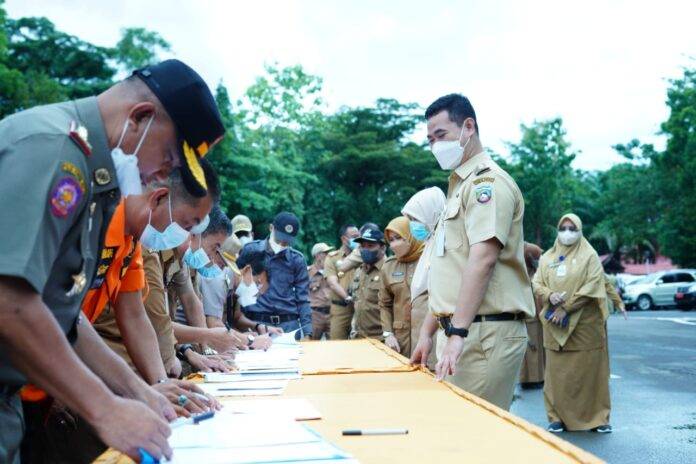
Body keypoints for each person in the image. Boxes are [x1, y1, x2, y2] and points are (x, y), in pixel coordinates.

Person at [0, 58, 224, 462]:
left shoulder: (96, 184)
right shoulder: (53, 152)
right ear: (139, 117)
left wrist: (140, 393)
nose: (160, 175)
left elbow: (64, 316)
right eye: (168, 160)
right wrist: (104, 409)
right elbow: (8, 300)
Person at [410, 94, 535, 411]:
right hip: (461, 331)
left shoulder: (487, 185)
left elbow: (483, 259)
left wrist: (458, 333)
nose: (435, 145)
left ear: (468, 127)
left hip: (482, 333)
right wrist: (428, 332)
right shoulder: (458, 189)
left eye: (441, 135)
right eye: (430, 139)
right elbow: (448, 271)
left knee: (478, 440)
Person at [533, 213, 612, 433]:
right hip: (555, 326)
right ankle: (556, 417)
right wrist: (549, 295)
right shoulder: (548, 257)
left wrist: (566, 306)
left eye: (572, 228)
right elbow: (536, 282)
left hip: (585, 326)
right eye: (563, 228)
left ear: (579, 231)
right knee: (557, 375)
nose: (567, 232)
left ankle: (599, 418)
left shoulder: (590, 256)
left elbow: (593, 286)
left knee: (591, 374)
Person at [239, 212, 312, 337]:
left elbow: (303, 300)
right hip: (257, 324)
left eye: (287, 241)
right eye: (280, 238)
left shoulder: (297, 260)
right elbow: (238, 291)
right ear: (271, 228)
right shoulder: (250, 251)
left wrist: (307, 332)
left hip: (288, 328)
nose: (282, 244)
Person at [401, 186, 446, 369]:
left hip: (436, 327)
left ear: (431, 213)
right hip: (423, 331)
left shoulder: (444, 242)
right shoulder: (431, 243)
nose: (412, 225)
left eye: (415, 219)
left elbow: (441, 291)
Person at [379, 217, 426, 357]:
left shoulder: (429, 260)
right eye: (391, 240)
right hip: (400, 342)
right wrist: (388, 334)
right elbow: (384, 304)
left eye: (398, 237)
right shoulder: (388, 266)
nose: (394, 244)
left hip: (429, 338)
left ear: (410, 235)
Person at [324, 224, 361, 340]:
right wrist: (348, 298)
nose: (358, 239)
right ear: (344, 239)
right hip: (341, 308)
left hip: (361, 309)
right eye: (354, 236)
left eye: (358, 236)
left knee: (362, 345)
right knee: (337, 344)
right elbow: (332, 283)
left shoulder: (363, 255)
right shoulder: (332, 258)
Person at [352, 228, 388, 340]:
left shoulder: (388, 271)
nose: (365, 249)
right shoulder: (359, 271)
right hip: (358, 337)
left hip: (380, 339)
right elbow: (357, 302)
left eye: (370, 246)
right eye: (362, 246)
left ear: (383, 248)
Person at [519, 242, 546, 389]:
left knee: (533, 350)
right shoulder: (529, 275)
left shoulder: (527, 274)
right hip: (532, 317)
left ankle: (532, 378)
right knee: (533, 349)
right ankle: (533, 379)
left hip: (533, 317)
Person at [308, 243, 334, 340]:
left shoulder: (333, 272)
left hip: (332, 313)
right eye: (325, 253)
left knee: (336, 345)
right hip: (315, 315)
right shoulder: (308, 273)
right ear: (317, 255)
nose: (328, 255)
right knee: (311, 346)